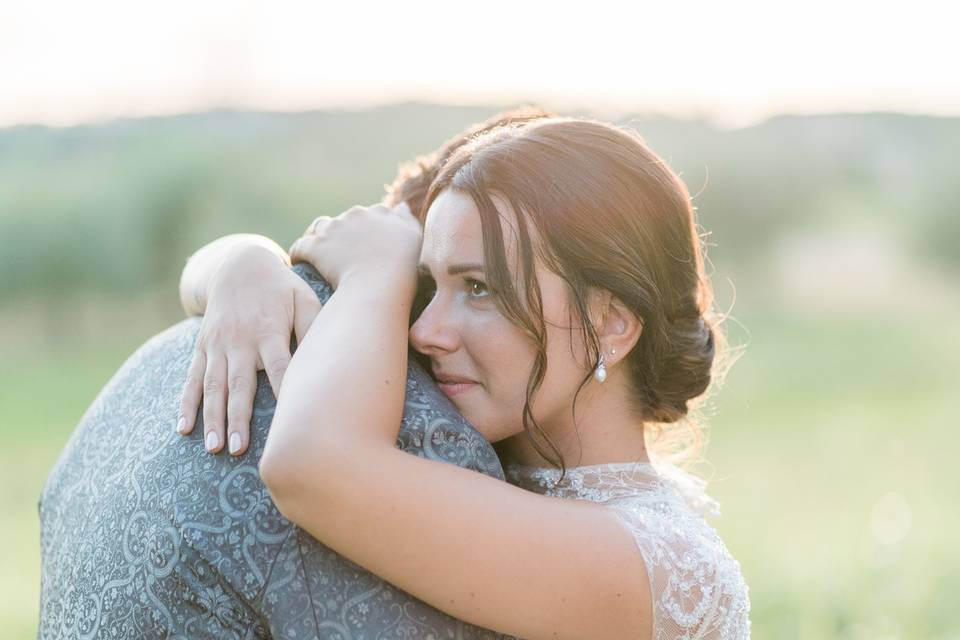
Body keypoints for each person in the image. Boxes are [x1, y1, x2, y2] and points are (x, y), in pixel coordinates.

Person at [180, 116, 753, 639]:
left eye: (479, 289)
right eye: (427, 286)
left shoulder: (658, 564)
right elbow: (215, 271)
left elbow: (307, 464)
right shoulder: (463, 455)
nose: (424, 331)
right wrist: (245, 262)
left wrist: (379, 270)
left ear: (609, 324)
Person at [37, 108, 550, 639]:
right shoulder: (429, 444)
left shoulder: (186, 340)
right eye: (473, 284)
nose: (434, 331)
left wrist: (245, 255)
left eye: (480, 289)